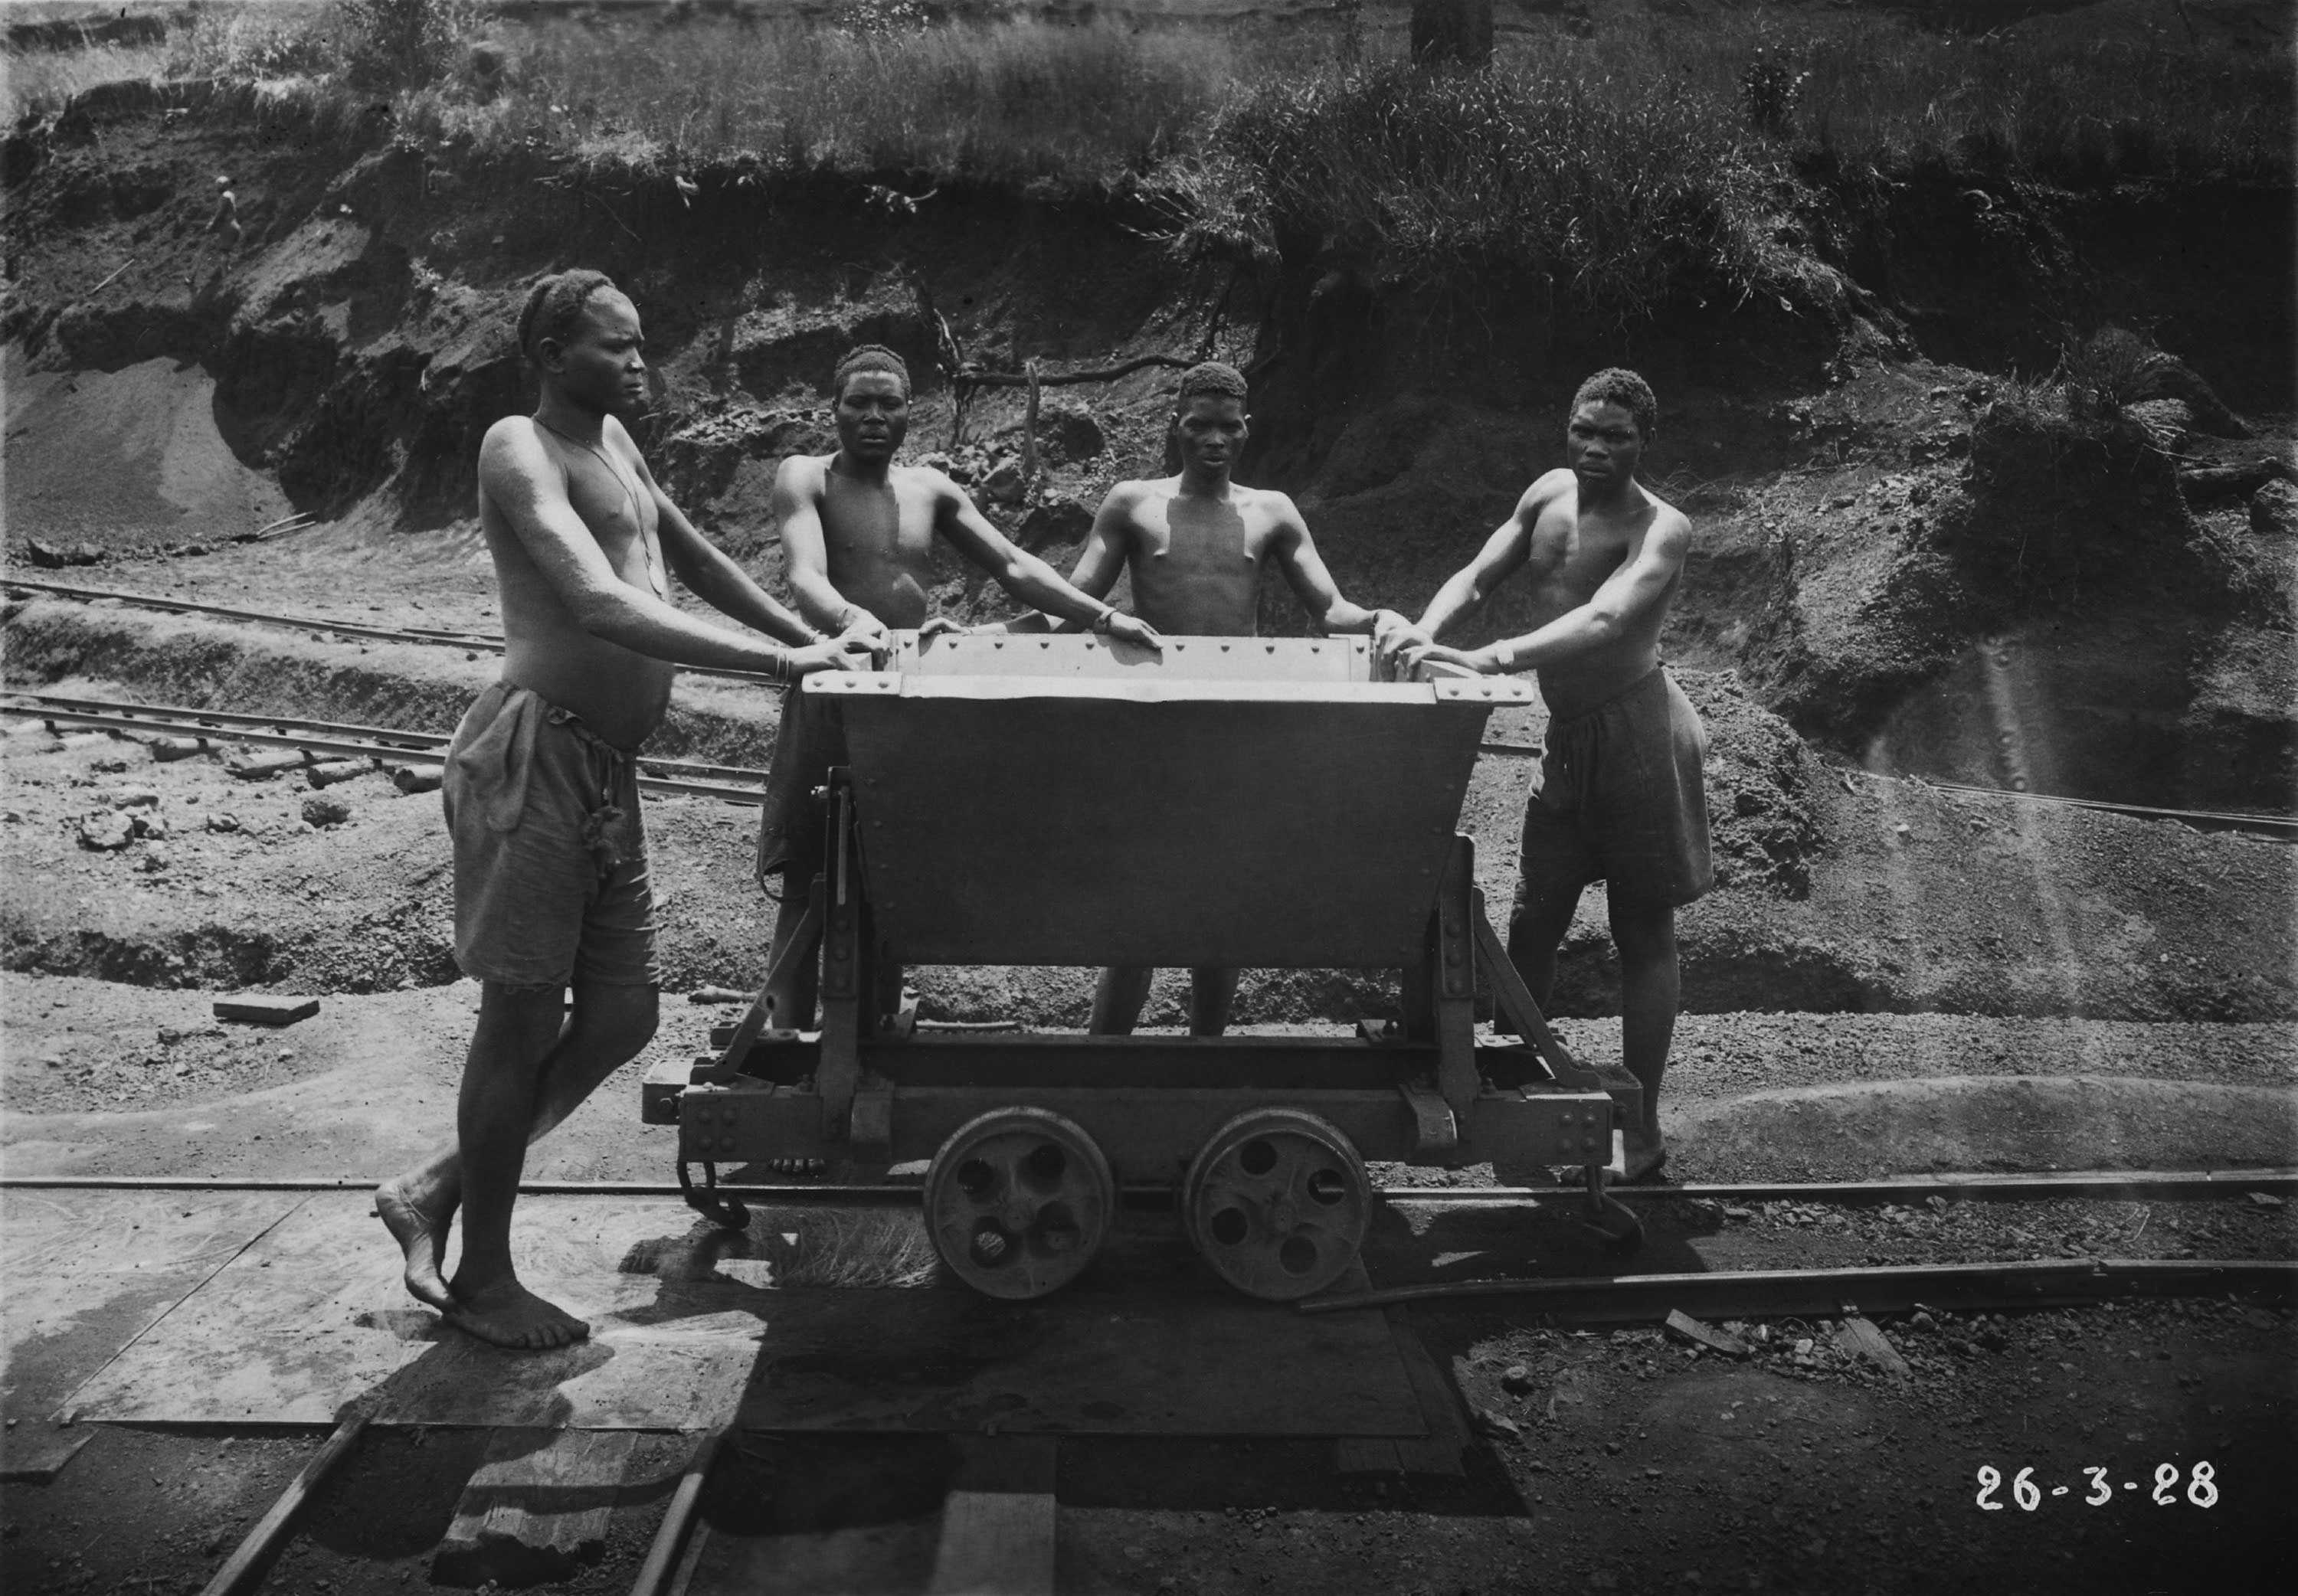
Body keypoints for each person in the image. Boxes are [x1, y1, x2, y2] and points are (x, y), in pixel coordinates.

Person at [375, 270, 875, 1350]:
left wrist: (814, 642)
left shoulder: (618, 447)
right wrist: (779, 661)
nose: (640, 364)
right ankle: (486, 1280)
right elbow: (598, 598)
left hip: (604, 769)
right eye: (616, 347)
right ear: (552, 352)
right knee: (519, 1016)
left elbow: (687, 559)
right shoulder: (520, 445)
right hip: (535, 757)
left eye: (643, 345)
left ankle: (436, 1187)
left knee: (622, 1017)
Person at [755, 345, 1164, 1029]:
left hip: (903, 706)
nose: (875, 417)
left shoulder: (932, 490)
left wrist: (1105, 615)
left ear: (914, 413)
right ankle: (783, 1047)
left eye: (890, 404)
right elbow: (806, 578)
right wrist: (866, 627)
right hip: (832, 690)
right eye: (859, 402)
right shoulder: (806, 477)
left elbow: (1012, 563)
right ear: (834, 409)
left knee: (888, 880)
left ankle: (873, 1043)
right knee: (807, 884)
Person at [1384, 368, 1710, 1183]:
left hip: (1640, 731)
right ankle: (1521, 1092)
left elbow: (1605, 616)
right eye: (1584, 429)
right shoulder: (1546, 495)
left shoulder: (1662, 527)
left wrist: (1489, 654)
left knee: (1642, 926)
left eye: (1616, 436)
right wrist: (1421, 634)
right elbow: (1476, 574)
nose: (1595, 448)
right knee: (1534, 917)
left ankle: (1642, 1120)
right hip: (1567, 738)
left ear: (1645, 442)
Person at [1025, 359, 1404, 1036]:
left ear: (1246, 430)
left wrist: (1382, 619)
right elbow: (1070, 604)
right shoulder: (1133, 502)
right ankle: (1103, 1062)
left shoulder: (1272, 511)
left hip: (1238, 731)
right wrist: (985, 631)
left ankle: (1208, 1053)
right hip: (1152, 724)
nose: (1214, 442)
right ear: (1176, 427)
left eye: (1229, 428)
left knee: (1223, 899)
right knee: (1140, 903)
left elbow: (1333, 609)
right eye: (1199, 427)